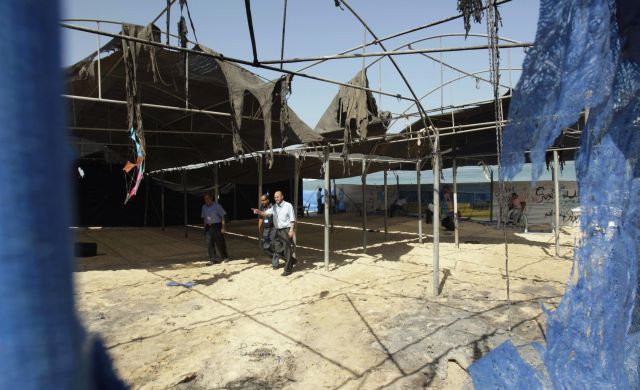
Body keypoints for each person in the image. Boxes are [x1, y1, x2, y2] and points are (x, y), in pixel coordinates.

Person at [252, 191, 297, 276]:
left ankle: (288, 270)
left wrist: (291, 230)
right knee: (277, 248)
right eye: (275, 197)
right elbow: (265, 213)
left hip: (286, 229)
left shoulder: (288, 205)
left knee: (287, 249)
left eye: (278, 197)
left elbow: (292, 219)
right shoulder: (274, 207)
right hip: (278, 230)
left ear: (282, 197)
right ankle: (292, 260)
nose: (276, 198)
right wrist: (258, 211)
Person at [201, 193, 229, 265]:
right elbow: (204, 218)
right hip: (208, 226)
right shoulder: (204, 207)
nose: (206, 200)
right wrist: (204, 228)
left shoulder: (217, 206)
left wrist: (223, 227)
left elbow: (223, 216)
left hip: (217, 226)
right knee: (209, 243)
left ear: (211, 198)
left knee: (220, 242)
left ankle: (225, 256)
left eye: (208, 198)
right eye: (205, 199)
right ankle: (213, 259)